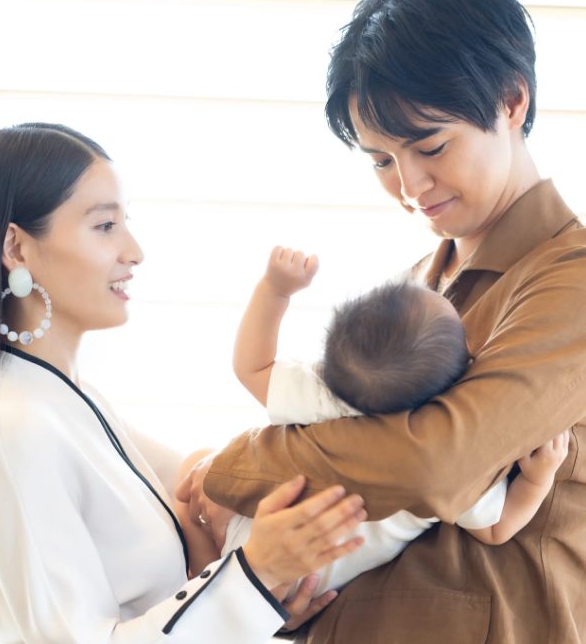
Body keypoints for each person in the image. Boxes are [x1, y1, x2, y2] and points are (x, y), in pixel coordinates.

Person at [180, 0, 586, 644]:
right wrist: (284, 585)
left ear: (512, 103)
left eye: (429, 146)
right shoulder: (413, 290)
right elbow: (349, 494)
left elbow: (434, 464)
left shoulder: (568, 281)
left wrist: (234, 468)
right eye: (379, 160)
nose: (409, 185)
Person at [0, 122, 371, 644]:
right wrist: (255, 573)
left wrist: (263, 587)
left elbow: (208, 484)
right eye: (104, 225)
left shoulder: (68, 400)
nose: (134, 251)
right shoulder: (13, 427)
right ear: (16, 248)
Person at [180, 245, 568, 597]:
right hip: (296, 581)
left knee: (194, 465)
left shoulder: (325, 394)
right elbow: (496, 529)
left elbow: (251, 366)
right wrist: (538, 478)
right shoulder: (453, 452)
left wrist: (275, 290)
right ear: (464, 369)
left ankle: (197, 554)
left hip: (253, 537)